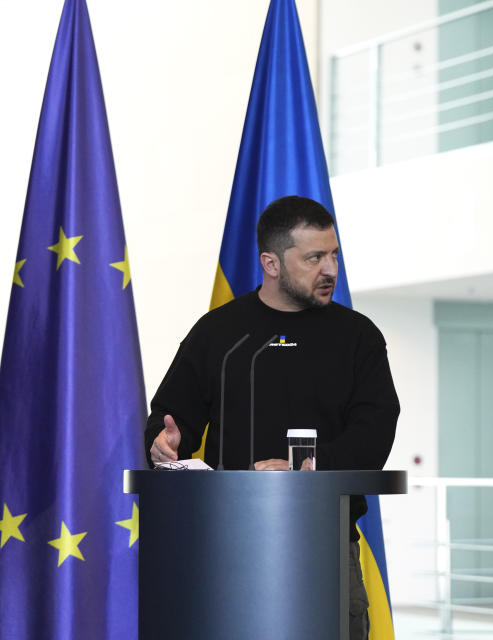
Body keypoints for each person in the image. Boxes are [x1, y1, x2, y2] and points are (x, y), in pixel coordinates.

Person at [144, 195, 400, 638]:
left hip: (325, 544)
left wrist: (306, 470)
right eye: (314, 257)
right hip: (224, 543)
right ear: (271, 263)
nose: (331, 270)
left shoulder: (358, 337)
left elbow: (374, 433)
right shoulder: (219, 332)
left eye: (334, 255)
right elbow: (170, 421)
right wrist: (163, 446)